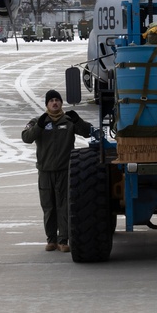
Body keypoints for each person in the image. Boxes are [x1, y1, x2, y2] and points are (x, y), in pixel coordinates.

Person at [21, 89, 94, 252]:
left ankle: (63, 240)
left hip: (64, 171)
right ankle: (51, 239)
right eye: (51, 100)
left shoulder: (68, 121)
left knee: (64, 206)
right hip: (45, 172)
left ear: (61, 103)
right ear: (47, 104)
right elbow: (26, 137)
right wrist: (38, 127)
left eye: (57, 100)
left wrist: (79, 121)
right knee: (49, 207)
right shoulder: (38, 121)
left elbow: (88, 132)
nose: (55, 103)